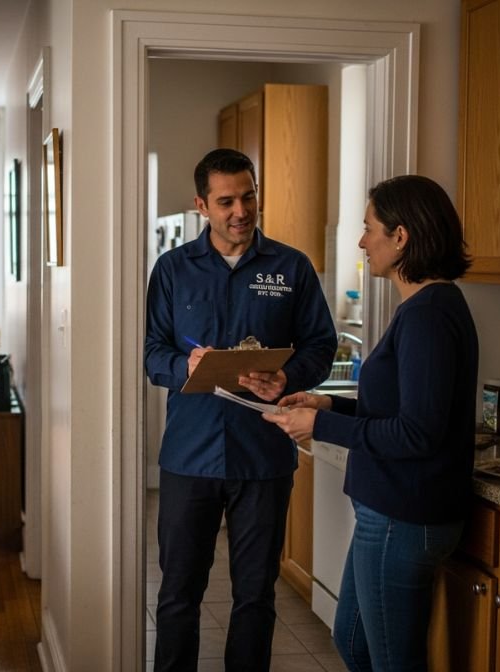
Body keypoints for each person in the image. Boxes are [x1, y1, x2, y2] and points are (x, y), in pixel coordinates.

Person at [256, 174, 479, 671]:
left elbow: (417, 433)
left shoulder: (427, 315)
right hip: (391, 511)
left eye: (369, 227)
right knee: (354, 642)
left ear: (401, 237)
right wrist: (329, 407)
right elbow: (403, 411)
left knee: (393, 662)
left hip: (405, 515)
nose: (361, 241)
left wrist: (318, 428)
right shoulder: (424, 308)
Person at [144, 148, 337, 671]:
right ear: (201, 205)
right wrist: (186, 364)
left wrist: (288, 377)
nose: (241, 211)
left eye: (248, 196)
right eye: (226, 201)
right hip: (190, 456)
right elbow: (151, 354)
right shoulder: (172, 270)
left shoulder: (291, 267)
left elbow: (323, 345)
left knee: (256, 594)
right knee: (179, 593)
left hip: (264, 456)